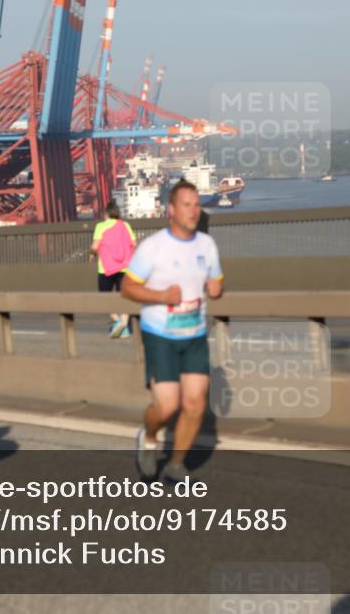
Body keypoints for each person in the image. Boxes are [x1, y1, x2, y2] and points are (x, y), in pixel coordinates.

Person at [121, 180, 224, 483]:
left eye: (197, 204)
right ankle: (150, 438)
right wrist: (161, 297)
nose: (194, 211)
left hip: (194, 335)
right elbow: (128, 288)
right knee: (167, 406)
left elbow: (215, 279)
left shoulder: (207, 245)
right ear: (171, 210)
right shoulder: (152, 247)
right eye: (187, 205)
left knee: (194, 405)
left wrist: (216, 287)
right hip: (160, 335)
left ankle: (176, 464)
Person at [90, 200, 136, 338]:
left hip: (106, 269)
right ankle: (125, 324)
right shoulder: (125, 225)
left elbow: (95, 246)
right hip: (125, 267)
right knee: (124, 297)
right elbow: (133, 243)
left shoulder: (100, 226)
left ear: (106, 214)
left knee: (105, 299)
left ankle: (118, 321)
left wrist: (92, 254)